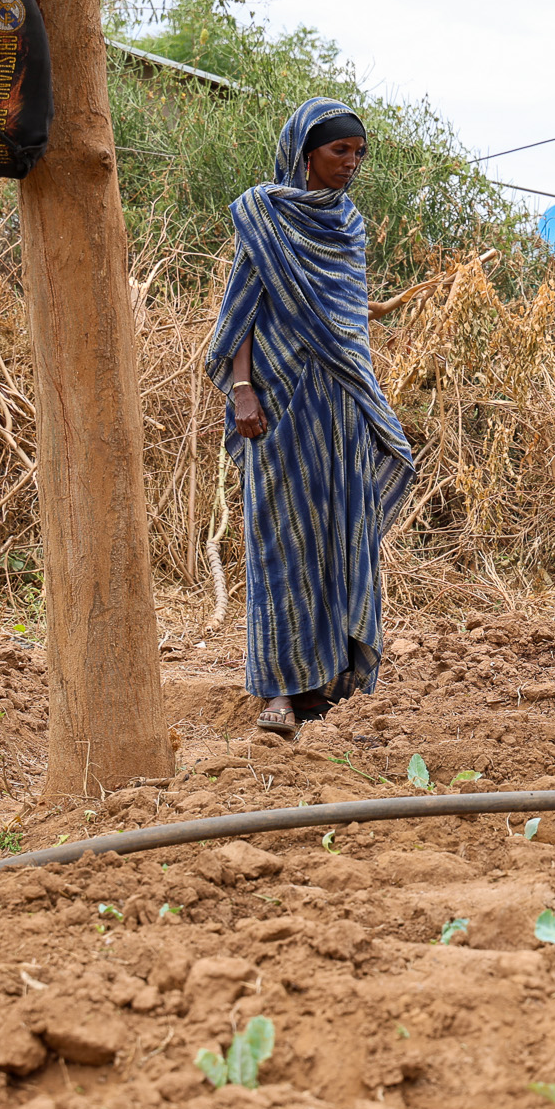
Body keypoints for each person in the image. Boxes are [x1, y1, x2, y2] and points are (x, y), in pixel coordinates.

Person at [205, 98, 415, 739]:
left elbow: (349, 333)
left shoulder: (349, 227)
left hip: (341, 406)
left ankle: (325, 680)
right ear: (304, 153)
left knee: (339, 535)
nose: (351, 164)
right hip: (276, 406)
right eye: (338, 151)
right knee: (277, 545)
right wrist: (242, 389)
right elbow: (240, 310)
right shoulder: (265, 218)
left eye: (358, 153)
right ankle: (276, 694)